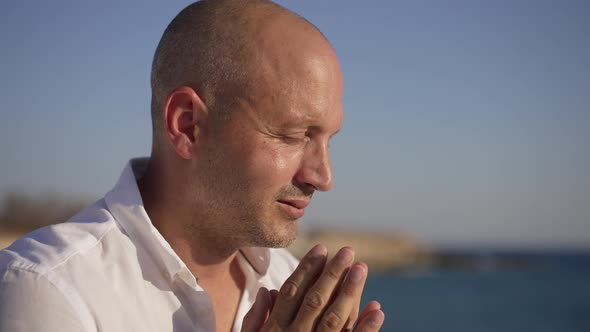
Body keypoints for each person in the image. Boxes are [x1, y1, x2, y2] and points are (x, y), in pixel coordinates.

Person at [0, 1, 385, 331]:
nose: (323, 177)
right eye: (292, 135)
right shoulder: (47, 289)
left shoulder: (294, 289)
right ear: (189, 125)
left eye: (327, 140)